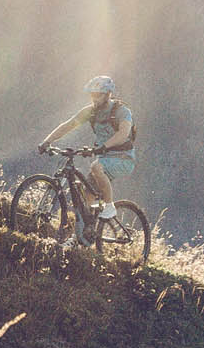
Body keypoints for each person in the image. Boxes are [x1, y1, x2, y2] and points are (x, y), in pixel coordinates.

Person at [38, 75, 136, 234]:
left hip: (124, 158)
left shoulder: (121, 111)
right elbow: (68, 125)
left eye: (99, 95)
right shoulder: (90, 112)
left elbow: (123, 134)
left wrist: (103, 147)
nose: (95, 98)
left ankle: (110, 207)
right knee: (87, 194)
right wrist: (47, 141)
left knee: (96, 166)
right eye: (93, 95)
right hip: (104, 158)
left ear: (108, 94)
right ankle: (90, 231)